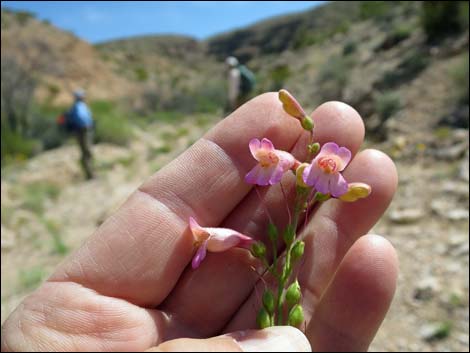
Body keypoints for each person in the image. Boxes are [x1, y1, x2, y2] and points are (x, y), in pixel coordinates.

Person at [1, 95, 398, 352]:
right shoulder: (297, 172)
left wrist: (304, 170)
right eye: (326, 163)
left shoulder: (316, 175)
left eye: (332, 165)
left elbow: (332, 182)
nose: (328, 165)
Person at [67, 89, 94, 179]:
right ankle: (89, 174)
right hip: (82, 131)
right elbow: (81, 119)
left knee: (88, 152)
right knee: (86, 152)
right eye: (83, 95)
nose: (84, 97)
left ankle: (90, 173)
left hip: (85, 130)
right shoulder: (77, 107)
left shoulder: (81, 106)